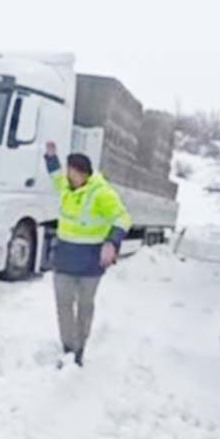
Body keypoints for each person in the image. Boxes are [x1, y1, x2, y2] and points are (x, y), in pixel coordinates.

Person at [44, 142, 132, 367]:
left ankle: (80, 349)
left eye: (72, 172)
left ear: (83, 173)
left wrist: (112, 243)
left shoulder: (102, 194)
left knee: (84, 305)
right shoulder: (66, 186)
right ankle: (68, 347)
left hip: (90, 262)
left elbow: (122, 218)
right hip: (64, 257)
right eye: (68, 171)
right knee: (63, 304)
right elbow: (55, 177)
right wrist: (51, 157)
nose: (68, 176)